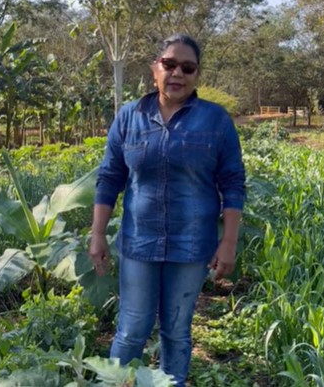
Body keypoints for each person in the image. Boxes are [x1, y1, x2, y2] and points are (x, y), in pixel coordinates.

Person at [89, 33, 246, 386]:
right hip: (139, 243)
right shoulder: (129, 117)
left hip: (191, 246)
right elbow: (110, 176)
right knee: (131, 329)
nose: (178, 73)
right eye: (169, 64)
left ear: (196, 75)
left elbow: (233, 183)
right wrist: (97, 234)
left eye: (187, 68)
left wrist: (229, 242)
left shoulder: (216, 121)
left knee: (176, 330)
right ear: (154, 69)